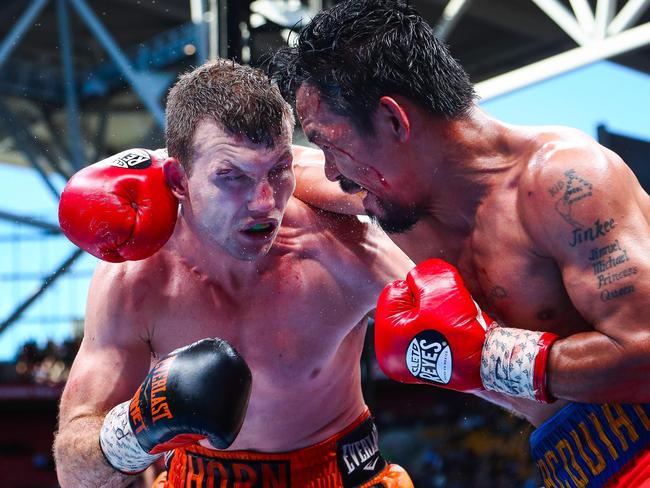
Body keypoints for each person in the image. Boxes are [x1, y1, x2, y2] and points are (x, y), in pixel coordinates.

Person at [268, 1, 650, 486]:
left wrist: (492, 355)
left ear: (394, 120)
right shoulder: (390, 194)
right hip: (572, 467)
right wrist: (163, 167)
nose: (331, 171)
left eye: (331, 144)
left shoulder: (566, 183)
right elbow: (280, 173)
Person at [53, 59, 416, 488]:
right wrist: (133, 432)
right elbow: (73, 472)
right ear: (179, 180)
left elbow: (472, 349)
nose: (264, 203)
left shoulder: (343, 249)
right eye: (232, 176)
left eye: (277, 170)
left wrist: (511, 367)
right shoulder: (137, 279)